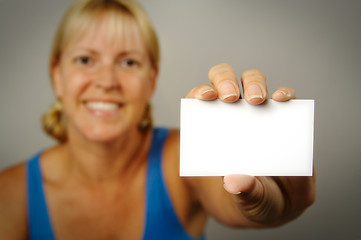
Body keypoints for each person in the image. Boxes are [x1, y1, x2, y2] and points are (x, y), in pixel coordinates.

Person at [0, 0, 316, 239]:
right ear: (57, 75)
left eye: (128, 61)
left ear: (152, 79)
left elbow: (237, 204)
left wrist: (266, 204)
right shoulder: (10, 193)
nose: (107, 80)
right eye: (85, 59)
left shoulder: (180, 155)